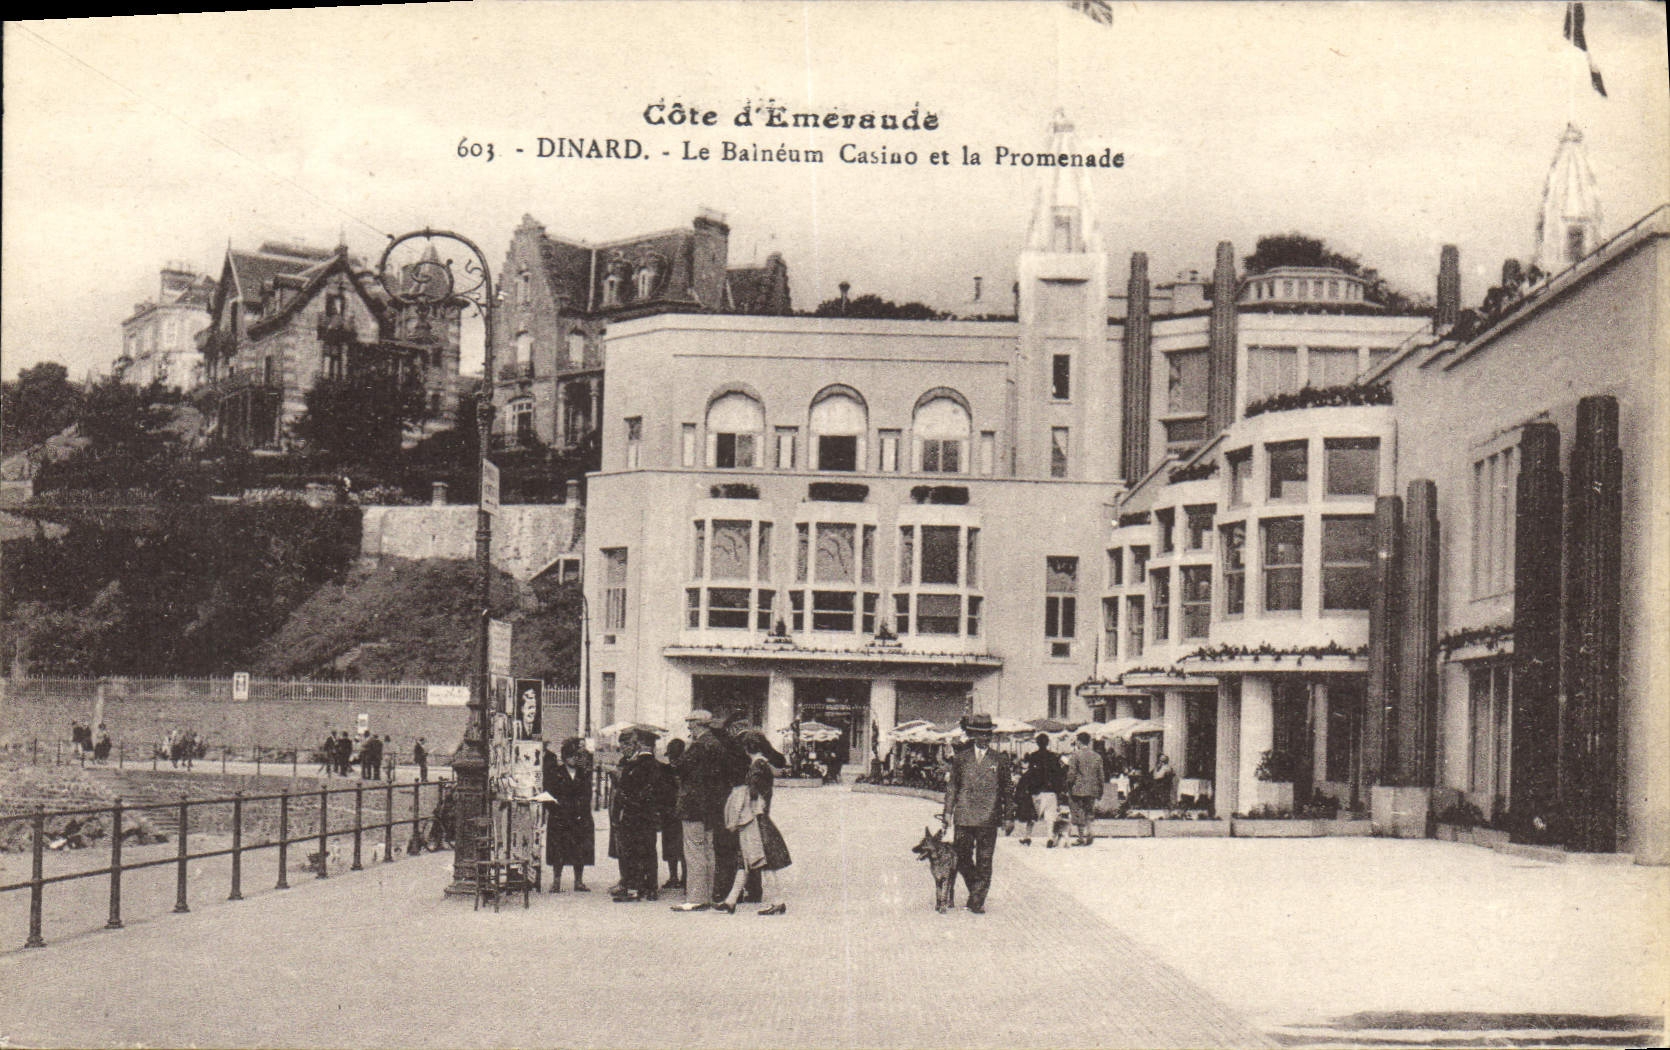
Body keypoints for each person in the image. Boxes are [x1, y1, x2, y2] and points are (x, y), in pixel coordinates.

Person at [941, 713, 1013, 914]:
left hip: (989, 817)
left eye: (988, 734)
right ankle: (976, 888)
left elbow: (1008, 789)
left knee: (985, 860)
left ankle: (977, 900)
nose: (985, 738)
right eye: (981, 734)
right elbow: (952, 787)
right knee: (962, 856)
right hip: (964, 817)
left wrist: (1009, 816)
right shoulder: (961, 759)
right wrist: (947, 812)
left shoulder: (1000, 760)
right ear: (973, 735)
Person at [716, 730, 791, 915]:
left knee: (759, 861)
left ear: (747, 748)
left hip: (754, 820)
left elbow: (753, 793)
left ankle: (777, 901)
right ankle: (731, 901)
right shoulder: (762, 764)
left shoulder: (757, 766)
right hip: (758, 819)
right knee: (747, 861)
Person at [670, 710, 727, 912]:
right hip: (712, 806)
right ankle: (710, 894)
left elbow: (680, 768)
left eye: (690, 723)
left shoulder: (698, 746)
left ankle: (695, 897)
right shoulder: (717, 745)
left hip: (693, 805)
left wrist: (684, 750)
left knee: (694, 852)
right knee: (708, 851)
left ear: (699, 724)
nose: (688, 727)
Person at [609, 729, 670, 902]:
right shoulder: (656, 765)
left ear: (636, 744)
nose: (624, 750)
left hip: (633, 814)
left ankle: (633, 888)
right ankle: (650, 888)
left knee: (632, 851)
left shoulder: (634, 765)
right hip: (648, 814)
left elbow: (624, 790)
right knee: (649, 850)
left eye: (626, 745)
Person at [543, 737, 596, 892]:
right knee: (558, 848)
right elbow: (548, 795)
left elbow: (587, 795)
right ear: (565, 757)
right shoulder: (556, 773)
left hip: (579, 817)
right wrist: (555, 809)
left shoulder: (583, 774)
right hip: (560, 817)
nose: (575, 759)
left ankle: (578, 881)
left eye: (577, 756)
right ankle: (556, 881)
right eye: (572, 756)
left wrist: (582, 811)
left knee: (579, 848)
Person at [1017, 733, 1067, 847]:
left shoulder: (1033, 756)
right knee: (1050, 817)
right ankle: (1050, 838)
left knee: (1033, 815)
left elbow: (1030, 774)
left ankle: (1027, 837)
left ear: (1037, 743)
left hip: (1037, 791)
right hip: (1051, 791)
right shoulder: (1054, 757)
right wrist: (1058, 790)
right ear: (1048, 742)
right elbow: (1059, 774)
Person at [1066, 731, 1103, 846]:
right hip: (1092, 789)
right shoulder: (1097, 756)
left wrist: (1068, 785)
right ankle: (1090, 831)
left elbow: (1071, 773)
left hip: (1078, 789)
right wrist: (1100, 789)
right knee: (1089, 812)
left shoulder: (1075, 755)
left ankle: (1081, 837)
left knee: (1078, 813)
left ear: (1079, 742)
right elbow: (1101, 775)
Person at [659, 737, 686, 890]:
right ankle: (675, 876)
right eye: (671, 756)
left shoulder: (683, 769)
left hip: (676, 813)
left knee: (679, 846)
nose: (672, 760)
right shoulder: (666, 770)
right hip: (670, 813)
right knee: (671, 846)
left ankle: (681, 877)